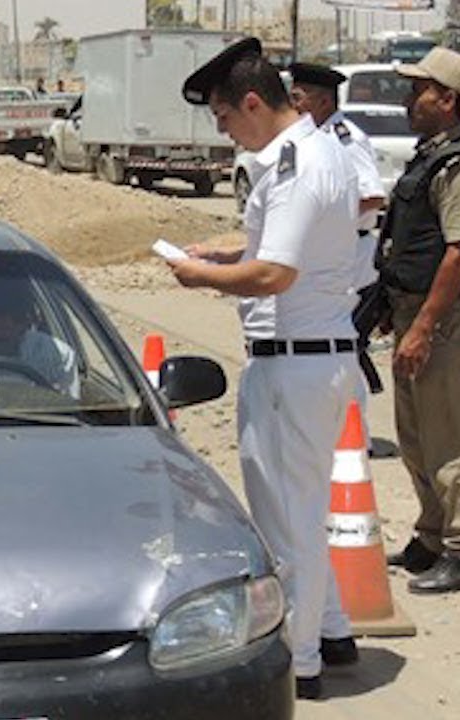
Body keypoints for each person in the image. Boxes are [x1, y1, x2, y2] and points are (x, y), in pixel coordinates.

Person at [168, 37, 363, 699]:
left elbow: (277, 273)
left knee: (288, 525)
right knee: (302, 514)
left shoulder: (296, 166)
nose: (224, 132)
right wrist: (224, 253)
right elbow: (281, 247)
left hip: (293, 367)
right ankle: (331, 632)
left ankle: (300, 663)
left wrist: (201, 277)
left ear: (253, 102)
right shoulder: (317, 152)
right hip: (314, 360)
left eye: (225, 118)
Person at [375, 47, 460, 594]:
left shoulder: (454, 165)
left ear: (448, 99)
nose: (410, 99)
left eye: (420, 90)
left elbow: (458, 252)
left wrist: (426, 326)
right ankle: (430, 537)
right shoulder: (428, 157)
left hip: (444, 320)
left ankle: (457, 546)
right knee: (414, 439)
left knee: (447, 439)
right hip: (413, 312)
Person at [288, 62, 387, 394]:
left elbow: (372, 195)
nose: (293, 105)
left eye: (299, 97)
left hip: (355, 258)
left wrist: (328, 219)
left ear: (324, 102)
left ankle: (357, 429)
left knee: (344, 339)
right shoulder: (315, 138)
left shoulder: (345, 138)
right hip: (336, 254)